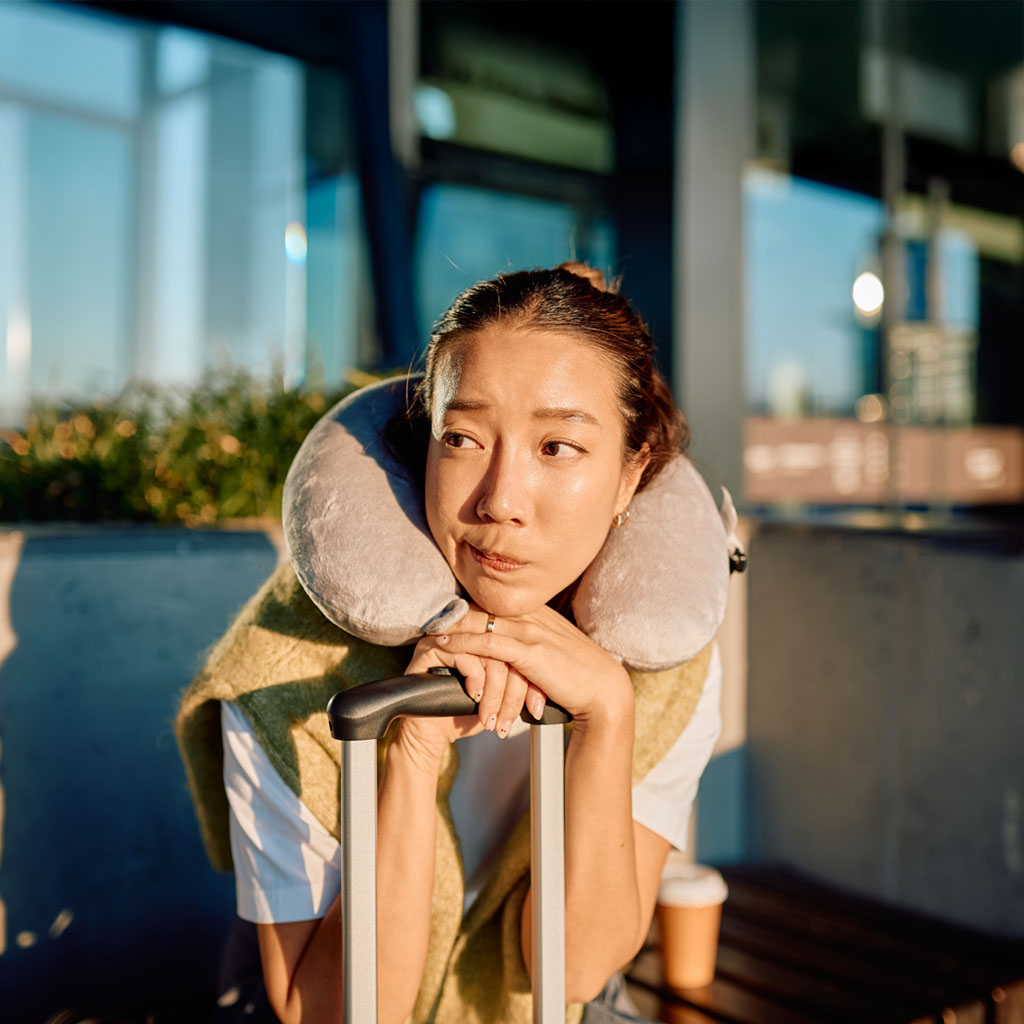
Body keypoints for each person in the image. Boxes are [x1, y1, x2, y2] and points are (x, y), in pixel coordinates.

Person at [177, 262, 725, 1024]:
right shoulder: (280, 671)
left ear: (631, 476)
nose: (500, 500)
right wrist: (410, 755)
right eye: (462, 437)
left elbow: (575, 970)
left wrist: (607, 716)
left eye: (558, 447)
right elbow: (324, 1011)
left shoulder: (673, 664)